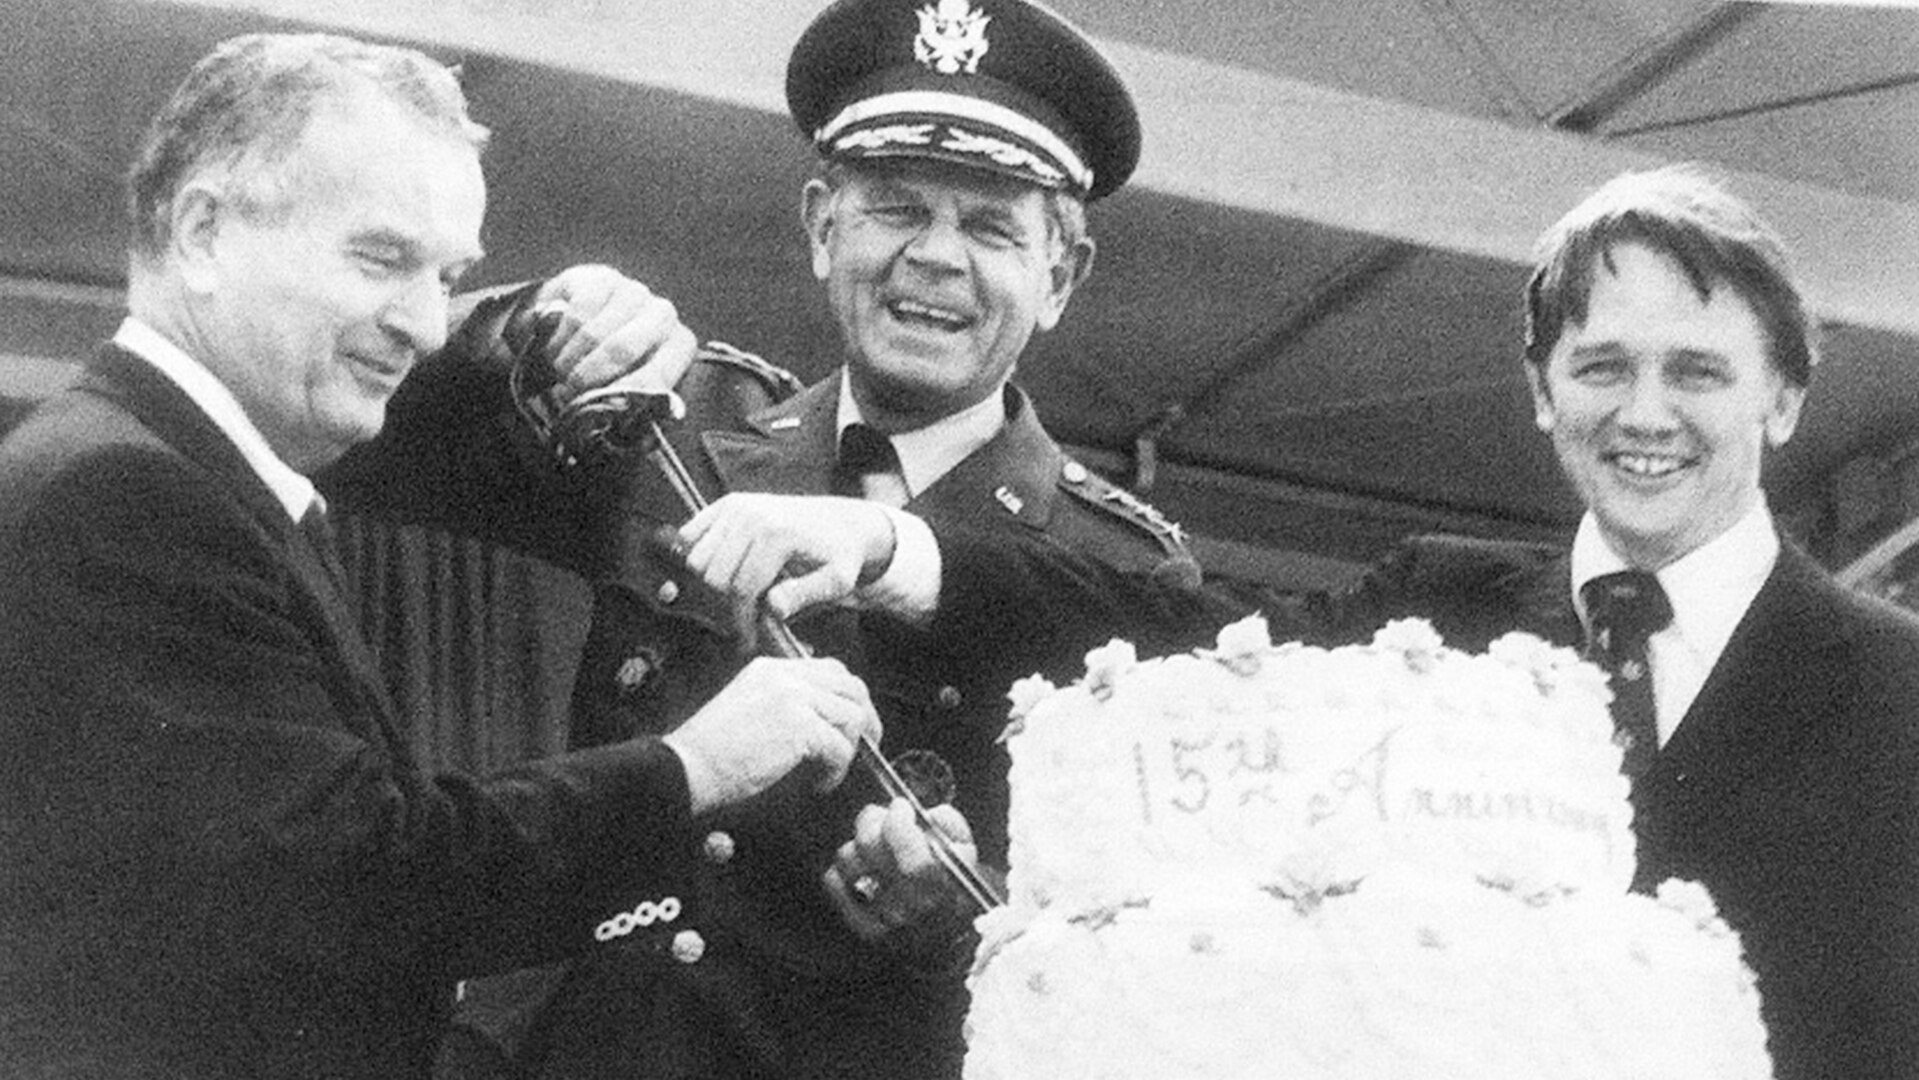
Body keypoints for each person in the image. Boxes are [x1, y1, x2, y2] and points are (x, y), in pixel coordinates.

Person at [688, 163, 1919, 1080]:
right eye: (1600, 367)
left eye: (1695, 370)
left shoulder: (1897, 694)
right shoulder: (1438, 607)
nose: (1643, 412)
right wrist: (888, 544)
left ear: (1784, 397)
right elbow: (1178, 629)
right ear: (1542, 395)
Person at [0, 32, 884, 1080]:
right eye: (380, 258)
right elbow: (353, 886)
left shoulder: (146, 469)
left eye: (448, 275)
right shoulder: (131, 499)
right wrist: (696, 765)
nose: (421, 323)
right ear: (201, 231)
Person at [421, 1, 1197, 1077]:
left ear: (1059, 277)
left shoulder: (1119, 571)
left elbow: (1125, 971)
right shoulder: (678, 419)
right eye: (894, 210)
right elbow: (382, 434)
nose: (934, 259)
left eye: (988, 228)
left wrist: (948, 922)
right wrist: (532, 323)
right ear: (821, 225)